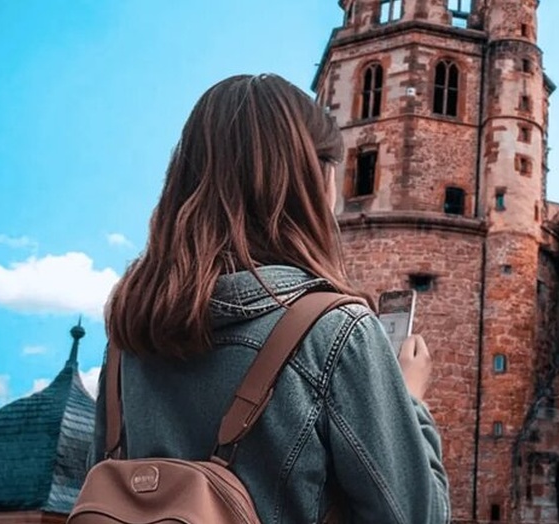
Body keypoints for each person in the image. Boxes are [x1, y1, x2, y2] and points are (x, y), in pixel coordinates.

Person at [89, 73, 450, 523]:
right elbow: (418, 517)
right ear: (317, 179)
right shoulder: (337, 331)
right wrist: (410, 400)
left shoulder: (128, 337)